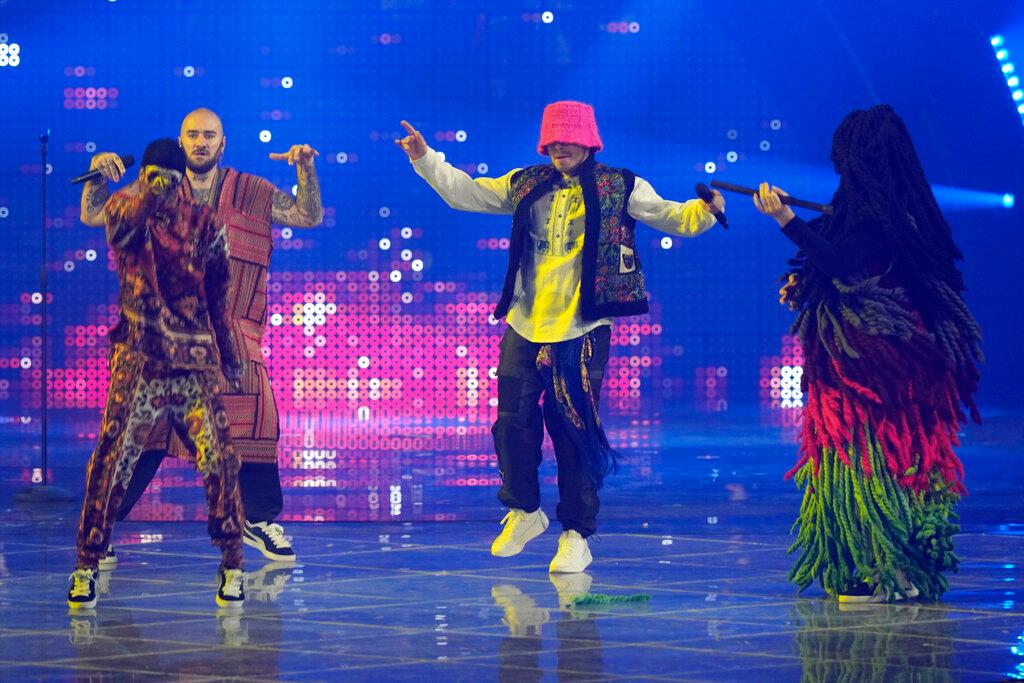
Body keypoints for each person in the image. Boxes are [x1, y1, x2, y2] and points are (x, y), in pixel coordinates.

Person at [396, 101, 724, 573]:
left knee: (572, 428)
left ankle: (576, 533)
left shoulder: (620, 186)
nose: (559, 147)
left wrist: (706, 211)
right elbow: (465, 193)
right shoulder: (527, 182)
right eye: (552, 140)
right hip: (527, 323)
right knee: (511, 421)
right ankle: (525, 512)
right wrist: (427, 158)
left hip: (582, 327)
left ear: (589, 141)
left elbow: (673, 216)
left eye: (568, 139)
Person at [752, 104, 983, 603]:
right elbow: (838, 267)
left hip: (873, 363)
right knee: (875, 460)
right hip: (880, 361)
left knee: (866, 459)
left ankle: (886, 565)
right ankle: (886, 563)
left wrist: (785, 218)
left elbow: (847, 265)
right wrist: (802, 282)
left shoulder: (880, 218)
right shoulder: (884, 212)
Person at [79, 108, 323, 565]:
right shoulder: (155, 190)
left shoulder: (251, 190)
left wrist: (305, 168)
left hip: (233, 332)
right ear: (181, 140)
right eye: (192, 135)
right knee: (140, 429)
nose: (200, 142)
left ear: (223, 143)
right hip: (166, 336)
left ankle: (260, 519)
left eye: (209, 135)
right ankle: (103, 527)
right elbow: (95, 214)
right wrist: (98, 171)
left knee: (255, 402)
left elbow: (308, 215)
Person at [69, 139, 246, 610]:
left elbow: (219, 296)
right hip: (140, 358)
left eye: (168, 177)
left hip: (191, 363)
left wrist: (230, 357)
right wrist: (137, 190)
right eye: (155, 176)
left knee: (221, 461)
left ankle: (232, 565)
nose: (162, 186)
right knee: (111, 459)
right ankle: (86, 563)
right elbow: (118, 230)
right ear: (146, 174)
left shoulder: (204, 222)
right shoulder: (128, 208)